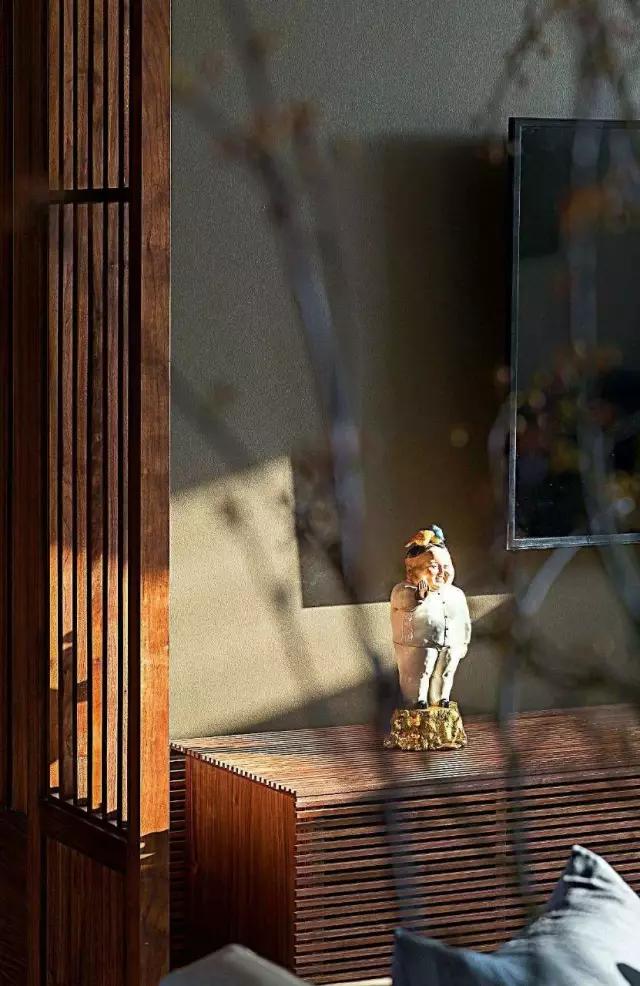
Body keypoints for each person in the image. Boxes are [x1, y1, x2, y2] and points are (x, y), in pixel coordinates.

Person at [390, 527, 471, 708]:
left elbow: (464, 619)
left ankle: (441, 698)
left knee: (445, 672)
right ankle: (416, 701)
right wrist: (418, 597)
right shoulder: (404, 590)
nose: (442, 571)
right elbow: (406, 602)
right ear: (411, 571)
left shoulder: (456, 594)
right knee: (418, 673)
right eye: (433, 566)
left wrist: (464, 640)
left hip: (451, 643)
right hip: (418, 645)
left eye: (446, 566)